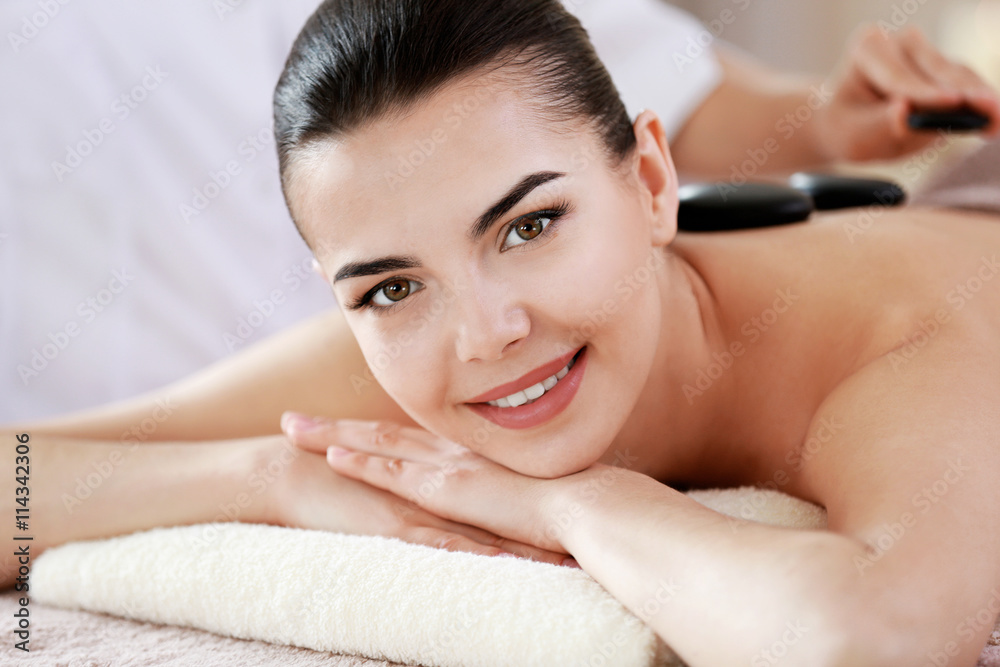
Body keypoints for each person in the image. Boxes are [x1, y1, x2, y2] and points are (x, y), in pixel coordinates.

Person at [3, 0, 1000, 663]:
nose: (485, 336)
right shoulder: (402, 356)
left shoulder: (907, 350)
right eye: (391, 287)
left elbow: (864, 639)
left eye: (528, 226)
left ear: (651, 181)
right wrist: (264, 477)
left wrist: (577, 504)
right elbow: (16, 473)